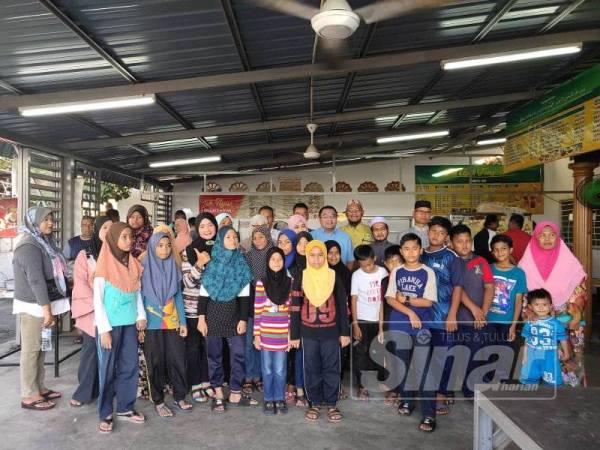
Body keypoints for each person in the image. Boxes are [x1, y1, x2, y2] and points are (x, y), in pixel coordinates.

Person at [13, 206, 69, 411]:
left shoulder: (44, 242)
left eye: (51, 219)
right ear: (34, 222)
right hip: (33, 306)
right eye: (45, 220)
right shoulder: (28, 246)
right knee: (31, 350)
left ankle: (39, 386)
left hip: (43, 304)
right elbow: (35, 280)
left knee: (41, 348)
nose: (50, 223)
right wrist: (46, 309)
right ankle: (28, 394)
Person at [518, 221, 587, 387]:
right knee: (540, 362)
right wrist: (529, 313)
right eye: (542, 235)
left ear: (558, 237)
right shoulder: (525, 264)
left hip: (567, 322)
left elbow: (580, 289)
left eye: (552, 235)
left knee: (567, 359)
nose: (547, 239)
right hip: (538, 323)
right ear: (535, 238)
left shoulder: (569, 261)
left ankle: (571, 394)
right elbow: (522, 295)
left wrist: (576, 315)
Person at [290, 240, 351, 424]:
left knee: (332, 368)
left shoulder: (333, 276)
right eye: (312, 255)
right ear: (307, 256)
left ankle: (332, 403)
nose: (316, 259)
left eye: (320, 255)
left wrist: (344, 332)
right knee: (311, 368)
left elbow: (342, 306)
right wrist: (294, 335)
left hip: (331, 333)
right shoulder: (301, 277)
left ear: (325, 256)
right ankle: (314, 402)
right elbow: (294, 307)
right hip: (307, 333)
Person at [94, 222, 147, 433]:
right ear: (113, 239)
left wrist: (140, 315)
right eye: (124, 237)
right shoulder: (103, 265)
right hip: (110, 327)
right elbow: (98, 301)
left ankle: (125, 407)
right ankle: (105, 412)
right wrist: (104, 330)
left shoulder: (132, 263)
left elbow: (136, 292)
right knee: (107, 370)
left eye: (131, 237)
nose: (129, 241)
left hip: (128, 325)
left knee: (130, 366)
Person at [197, 226, 257, 413]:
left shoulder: (241, 263)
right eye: (228, 237)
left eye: (235, 237)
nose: (232, 240)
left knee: (238, 354)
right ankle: (218, 393)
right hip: (213, 315)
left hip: (234, 315)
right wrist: (201, 319)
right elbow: (204, 294)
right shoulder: (212, 264)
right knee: (214, 356)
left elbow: (245, 296)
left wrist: (243, 319)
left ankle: (236, 392)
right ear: (220, 241)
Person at [385, 233, 437, 433]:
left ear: (421, 250)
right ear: (401, 251)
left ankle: (429, 413)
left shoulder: (427, 272)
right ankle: (407, 401)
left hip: (422, 327)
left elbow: (428, 301)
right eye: (406, 249)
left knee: (423, 369)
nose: (411, 252)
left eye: (414, 248)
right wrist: (410, 313)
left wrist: (405, 299)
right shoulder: (396, 271)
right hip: (399, 325)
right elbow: (390, 298)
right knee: (403, 365)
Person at [141, 231, 191, 418]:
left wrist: (183, 322)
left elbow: (177, 296)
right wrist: (140, 324)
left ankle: (179, 395)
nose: (165, 249)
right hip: (151, 322)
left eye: (168, 245)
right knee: (155, 362)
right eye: (160, 245)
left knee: (177, 359)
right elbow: (140, 297)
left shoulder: (173, 266)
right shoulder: (143, 267)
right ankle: (159, 400)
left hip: (171, 321)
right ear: (153, 247)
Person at [445, 224, 495, 399]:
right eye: (459, 242)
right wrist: (474, 308)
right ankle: (447, 390)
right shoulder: (451, 262)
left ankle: (470, 390)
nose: (464, 245)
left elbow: (489, 287)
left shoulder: (481, 262)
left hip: (477, 320)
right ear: (451, 243)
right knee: (452, 355)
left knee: (475, 355)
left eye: (467, 241)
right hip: (456, 318)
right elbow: (456, 288)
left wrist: (483, 312)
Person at [70, 216, 113, 407]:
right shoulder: (85, 255)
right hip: (93, 311)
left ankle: (107, 389)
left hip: (114, 310)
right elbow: (79, 283)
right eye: (104, 228)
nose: (108, 232)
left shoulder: (119, 252)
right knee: (90, 352)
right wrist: (97, 304)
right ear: (97, 230)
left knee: (111, 352)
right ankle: (85, 392)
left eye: (112, 228)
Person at [420, 216, 456, 414]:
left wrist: (452, 314)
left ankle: (441, 393)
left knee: (442, 357)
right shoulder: (419, 254)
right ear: (427, 232)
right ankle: (425, 393)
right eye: (433, 231)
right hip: (422, 317)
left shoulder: (451, 257)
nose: (436, 235)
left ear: (447, 236)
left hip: (443, 318)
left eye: (441, 233)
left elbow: (458, 287)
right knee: (423, 357)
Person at [182, 212, 218, 403]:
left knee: (209, 348)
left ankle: (207, 381)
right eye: (202, 226)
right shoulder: (189, 251)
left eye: (210, 225)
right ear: (197, 228)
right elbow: (188, 282)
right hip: (193, 308)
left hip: (214, 308)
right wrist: (199, 264)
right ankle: (195, 383)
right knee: (194, 347)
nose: (207, 229)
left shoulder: (221, 249)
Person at [253, 248, 292, 415]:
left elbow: (291, 311)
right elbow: (258, 309)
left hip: (282, 335)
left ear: (284, 262)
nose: (276, 262)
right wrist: (256, 335)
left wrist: (291, 335)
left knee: (280, 369)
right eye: (273, 259)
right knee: (267, 369)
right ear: (267, 262)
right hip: (266, 335)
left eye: (279, 259)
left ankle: (279, 398)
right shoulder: (262, 282)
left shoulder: (290, 282)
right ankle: (269, 399)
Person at [487, 235, 527, 382]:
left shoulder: (518, 273)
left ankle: (503, 382)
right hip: (489, 320)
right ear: (492, 252)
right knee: (488, 352)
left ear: (511, 250)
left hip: (507, 322)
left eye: (503, 249)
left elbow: (518, 301)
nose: (500, 252)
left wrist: (513, 325)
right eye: (496, 250)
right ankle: (487, 382)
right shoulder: (488, 269)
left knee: (505, 352)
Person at [350, 245, 387, 400]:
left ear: (375, 259)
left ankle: (385, 382)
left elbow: (383, 301)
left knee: (381, 352)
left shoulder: (383, 273)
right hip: (362, 320)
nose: (366, 268)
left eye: (369, 264)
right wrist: (356, 324)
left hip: (378, 319)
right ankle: (361, 386)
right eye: (362, 265)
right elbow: (354, 299)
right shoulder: (357, 275)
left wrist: (381, 327)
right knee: (360, 354)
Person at [243, 225, 274, 394]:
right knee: (248, 343)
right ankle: (249, 376)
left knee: (263, 343)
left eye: (262, 237)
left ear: (268, 237)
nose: (258, 241)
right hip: (249, 305)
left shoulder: (274, 256)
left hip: (268, 306)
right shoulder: (247, 257)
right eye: (255, 238)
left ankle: (260, 377)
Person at [519, 289, 570, 386]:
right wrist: (525, 355)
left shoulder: (557, 324)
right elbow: (526, 340)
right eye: (537, 305)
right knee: (529, 382)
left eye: (545, 304)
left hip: (550, 358)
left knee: (552, 384)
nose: (541, 307)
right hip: (532, 357)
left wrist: (566, 352)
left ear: (551, 306)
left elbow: (563, 339)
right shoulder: (530, 323)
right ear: (530, 306)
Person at [286, 231, 311, 407]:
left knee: (305, 354)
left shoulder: (317, 266)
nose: (303, 246)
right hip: (291, 316)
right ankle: (294, 387)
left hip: (312, 319)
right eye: (300, 243)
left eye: (306, 243)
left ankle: (304, 388)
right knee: (292, 354)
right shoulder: (290, 267)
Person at [380, 244, 402, 406]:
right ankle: (394, 389)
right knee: (391, 357)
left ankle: (404, 390)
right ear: (385, 264)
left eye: (397, 261)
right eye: (391, 262)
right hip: (389, 323)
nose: (394, 265)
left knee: (404, 357)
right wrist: (381, 328)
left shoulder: (407, 279)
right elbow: (381, 305)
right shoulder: (384, 281)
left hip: (405, 326)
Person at [311, 206, 354, 270]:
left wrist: (346, 276)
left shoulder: (345, 237)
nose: (329, 219)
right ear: (319, 219)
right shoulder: (311, 236)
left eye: (333, 216)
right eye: (325, 217)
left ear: (336, 218)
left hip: (341, 276)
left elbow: (350, 260)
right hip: (317, 276)